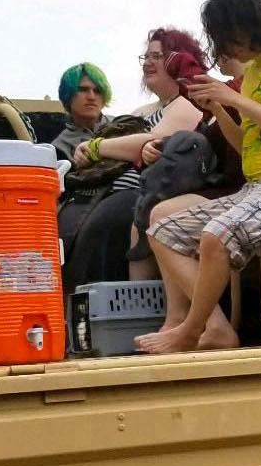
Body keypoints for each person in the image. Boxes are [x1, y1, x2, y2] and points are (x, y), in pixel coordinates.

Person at [135, 0, 261, 354]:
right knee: (162, 230)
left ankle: (192, 329)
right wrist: (219, 108)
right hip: (258, 185)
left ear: (248, 24)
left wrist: (232, 97)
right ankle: (213, 328)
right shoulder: (253, 73)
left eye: (228, 35)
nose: (227, 47)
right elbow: (244, 146)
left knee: (217, 235)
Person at [60, 29, 205, 292]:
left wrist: (95, 147)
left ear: (179, 59)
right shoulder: (140, 111)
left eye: (157, 56)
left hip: (140, 194)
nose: (148, 63)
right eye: (146, 56)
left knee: (103, 227)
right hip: (103, 193)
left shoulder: (187, 105)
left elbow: (152, 141)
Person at [53, 62, 114, 251]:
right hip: (82, 211)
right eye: (83, 90)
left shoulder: (124, 127)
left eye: (97, 90)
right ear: (68, 96)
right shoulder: (57, 148)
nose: (91, 97)